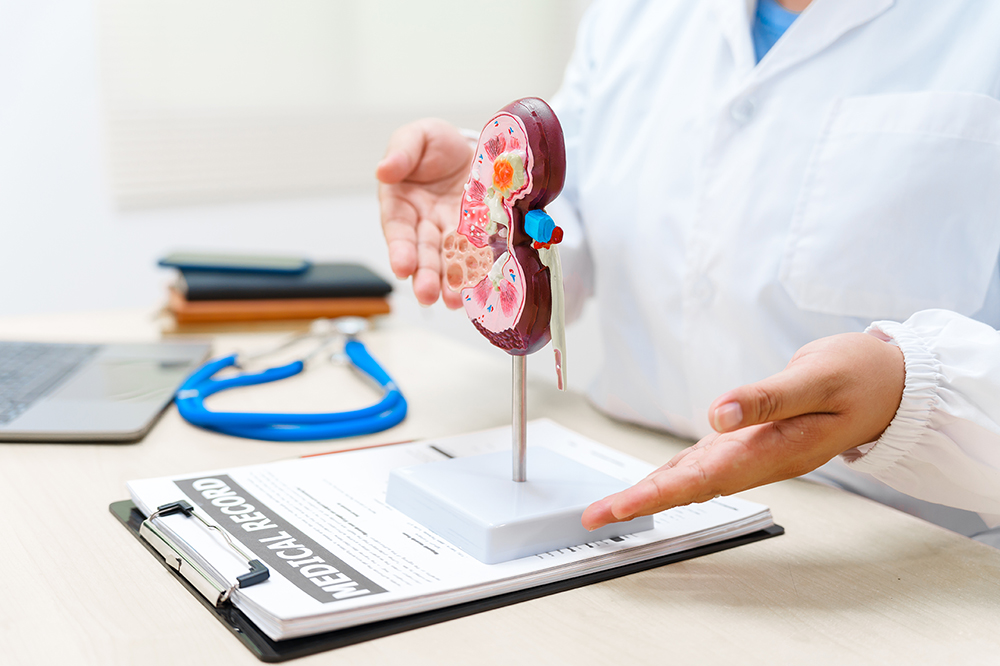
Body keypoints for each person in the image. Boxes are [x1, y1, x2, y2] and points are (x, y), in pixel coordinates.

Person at [376, 0, 1000, 542]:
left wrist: (908, 391)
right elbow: (574, 221)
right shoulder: (635, 17)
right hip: (626, 479)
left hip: (903, 539)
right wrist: (493, 203)